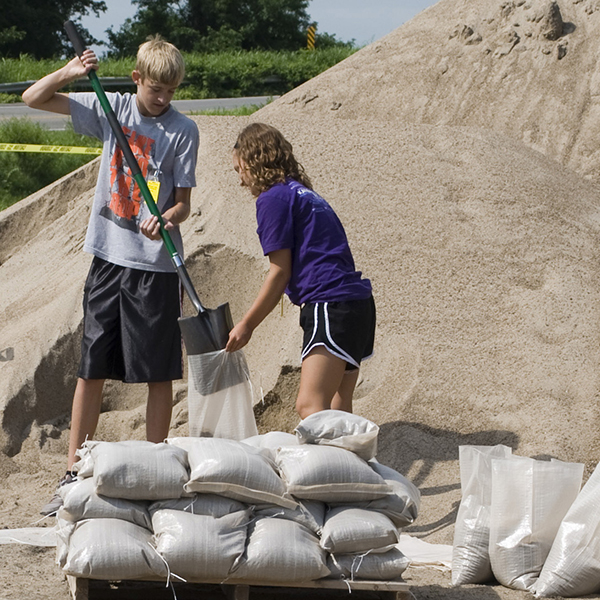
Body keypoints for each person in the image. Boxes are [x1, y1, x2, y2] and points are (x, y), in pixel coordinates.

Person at [22, 35, 199, 515]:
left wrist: (167, 218)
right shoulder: (111, 107)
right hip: (107, 259)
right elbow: (32, 98)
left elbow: (183, 202)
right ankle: (72, 473)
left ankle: (157, 473)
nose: (162, 99)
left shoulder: (184, 131)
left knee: (158, 372)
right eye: (155, 89)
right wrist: (70, 72)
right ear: (137, 78)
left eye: (170, 91)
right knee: (91, 368)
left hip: (155, 268)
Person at [226, 123, 375, 419]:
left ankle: (331, 466)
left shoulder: (272, 199)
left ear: (253, 161)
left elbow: (280, 271)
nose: (241, 180)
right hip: (358, 305)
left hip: (329, 304)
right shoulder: (305, 194)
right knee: (338, 406)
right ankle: (350, 465)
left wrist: (247, 325)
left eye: (239, 170)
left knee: (310, 405)